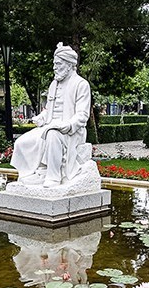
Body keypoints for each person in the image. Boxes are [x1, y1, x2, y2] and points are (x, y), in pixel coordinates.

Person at [10, 43, 91, 188]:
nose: (54, 68)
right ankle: (34, 173)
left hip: (72, 131)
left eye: (58, 64)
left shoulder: (81, 84)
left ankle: (53, 177)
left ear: (68, 64)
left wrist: (68, 125)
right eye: (54, 64)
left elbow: (83, 115)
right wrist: (41, 117)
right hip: (50, 125)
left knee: (53, 135)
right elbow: (49, 109)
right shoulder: (54, 84)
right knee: (21, 142)